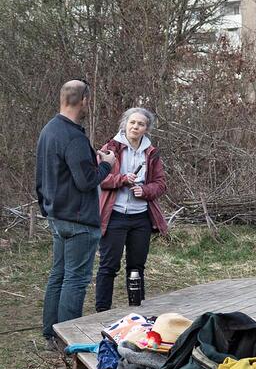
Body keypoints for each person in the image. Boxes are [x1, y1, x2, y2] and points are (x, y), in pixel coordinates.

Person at [37, 80, 114, 340]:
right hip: (78, 221)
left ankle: (51, 334)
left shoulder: (49, 130)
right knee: (75, 280)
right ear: (84, 100)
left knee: (58, 275)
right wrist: (108, 165)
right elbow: (87, 181)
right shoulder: (73, 136)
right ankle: (67, 341)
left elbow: (44, 176)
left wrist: (47, 207)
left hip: (58, 216)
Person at [94, 107, 168, 311]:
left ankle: (137, 311)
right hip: (114, 216)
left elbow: (161, 184)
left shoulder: (151, 153)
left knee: (136, 267)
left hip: (141, 218)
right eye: (132, 122)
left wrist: (144, 190)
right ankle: (102, 312)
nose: (135, 126)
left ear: (146, 129)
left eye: (141, 124)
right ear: (125, 124)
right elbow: (98, 178)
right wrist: (122, 180)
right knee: (108, 267)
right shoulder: (110, 148)